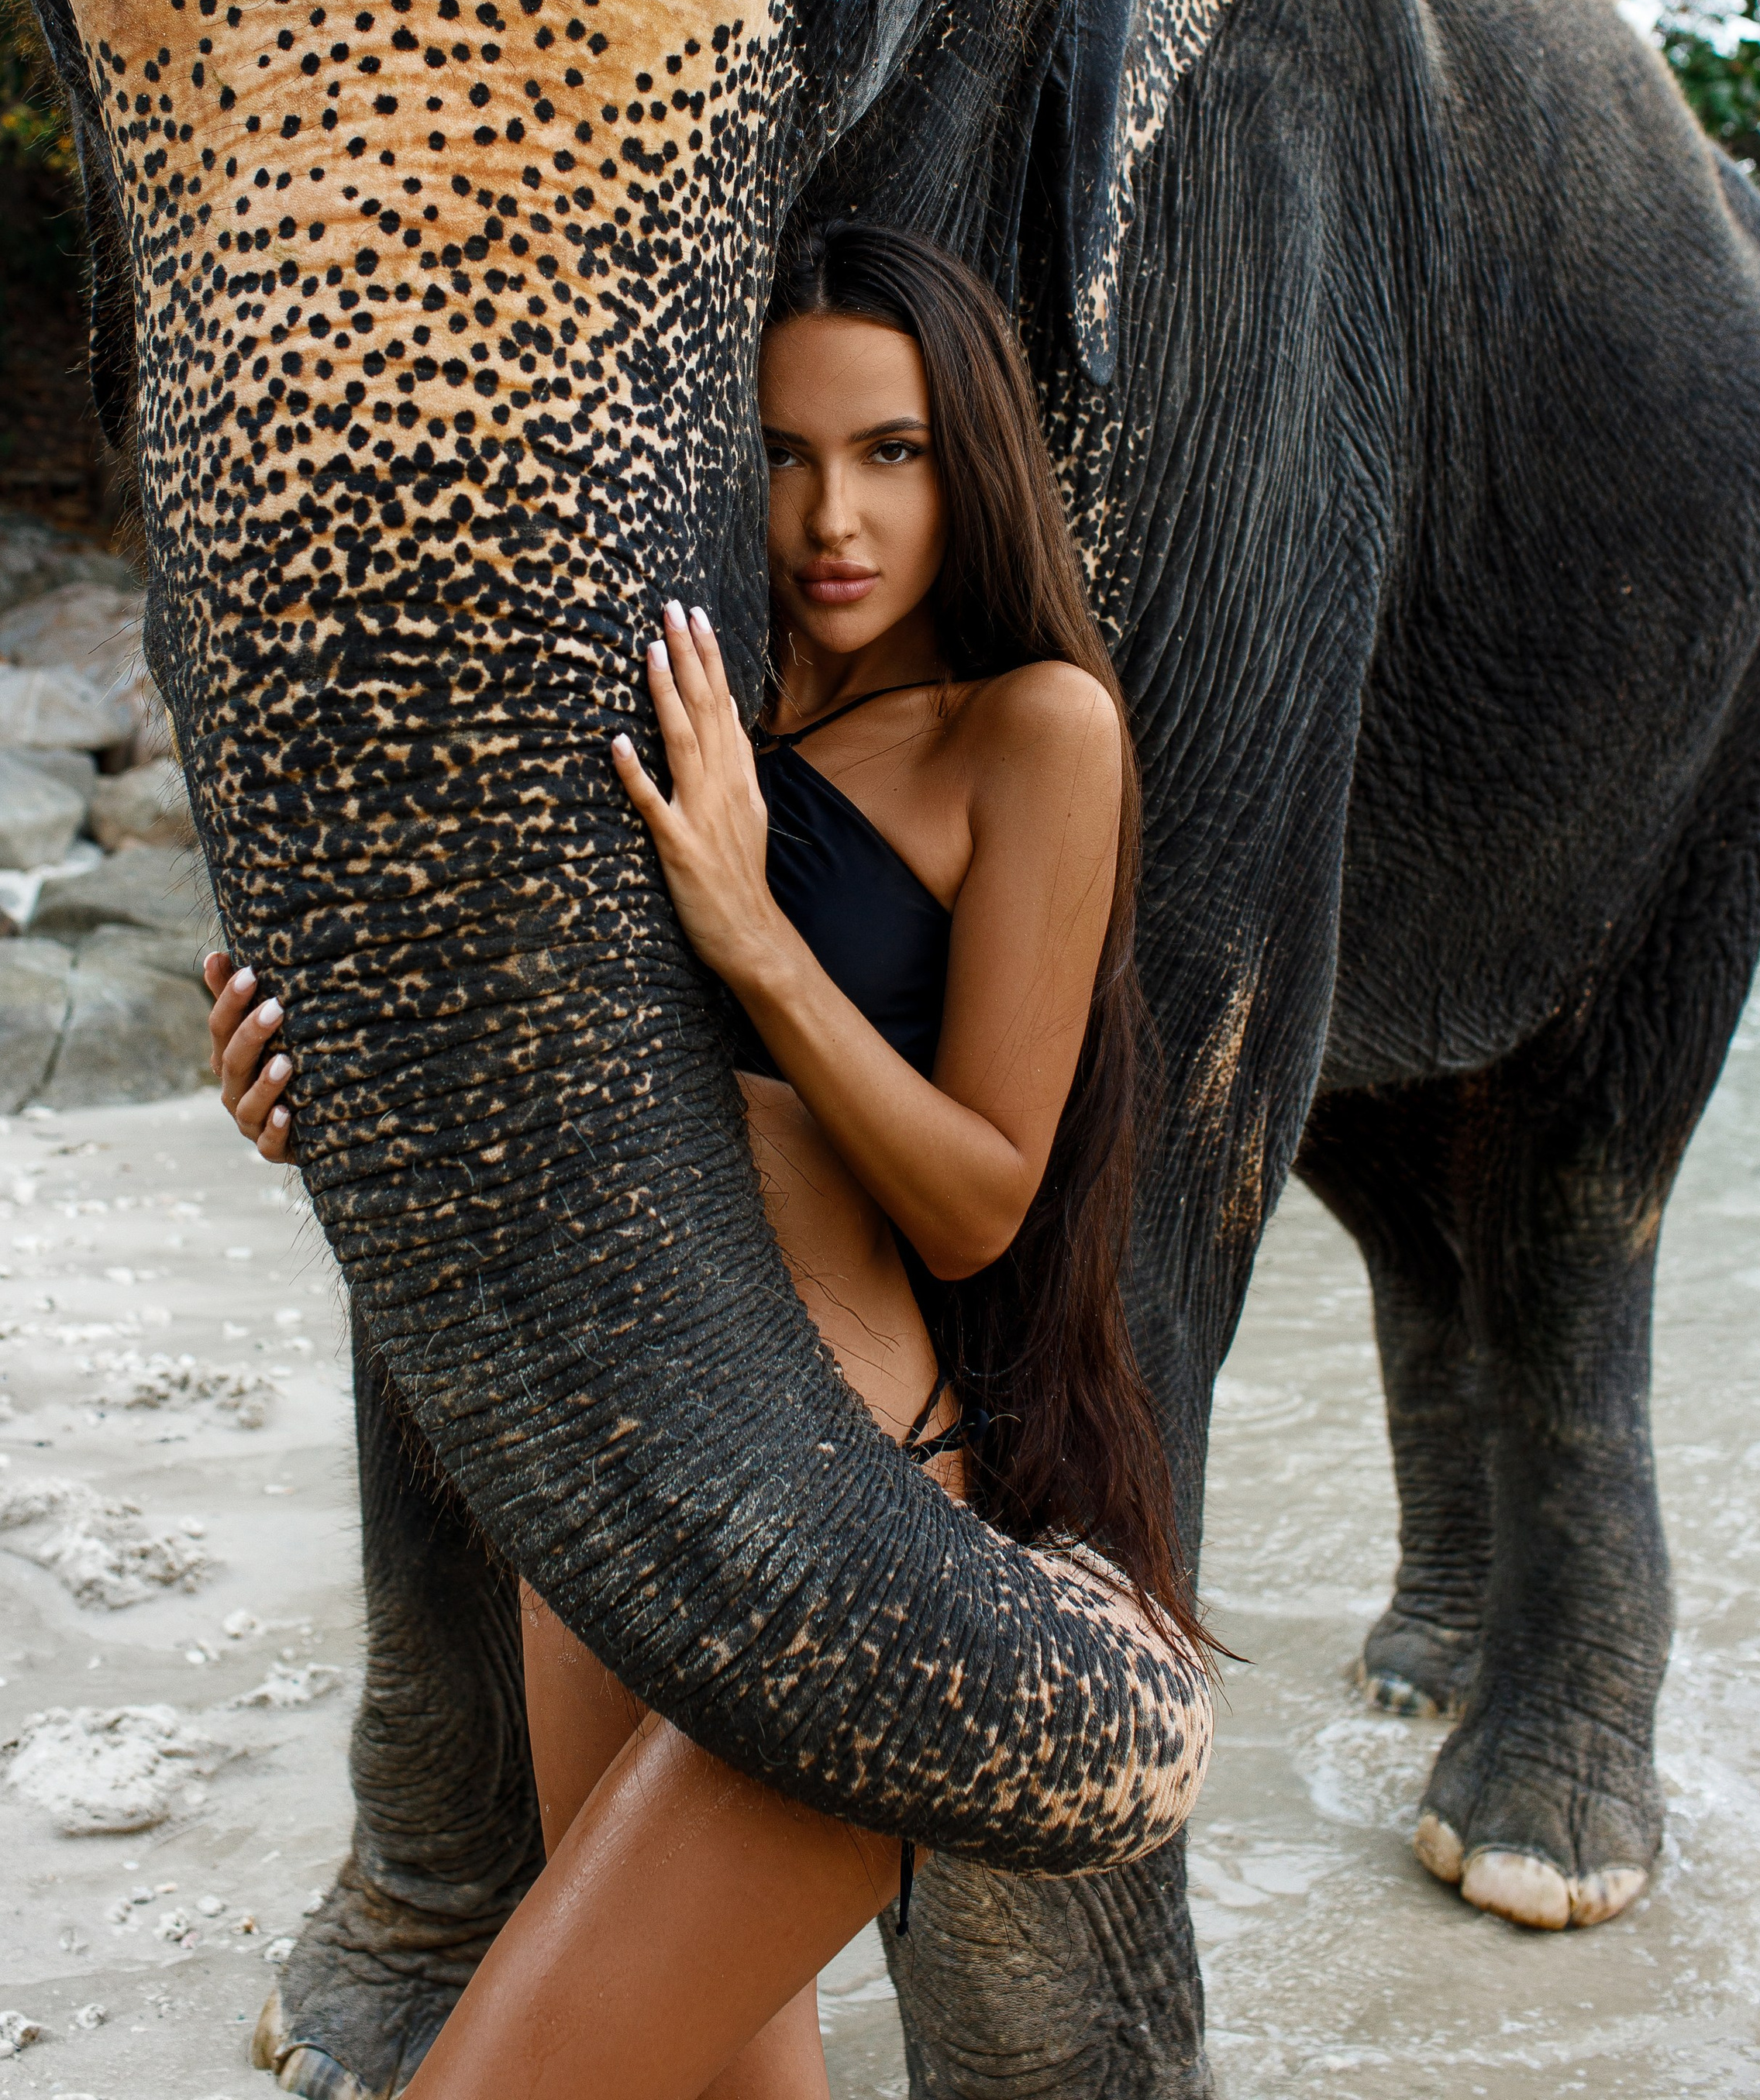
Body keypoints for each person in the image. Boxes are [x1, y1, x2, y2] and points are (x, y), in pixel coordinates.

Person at [206, 222, 1212, 2100]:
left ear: (968, 459)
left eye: (890, 450)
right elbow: (564, 1099)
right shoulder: (697, 726)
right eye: (778, 451)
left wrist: (751, 927)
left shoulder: (1029, 731)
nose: (831, 513)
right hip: (608, 1492)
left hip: (854, 1529)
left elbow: (982, 1188)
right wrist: (306, 1106)